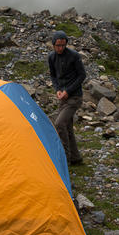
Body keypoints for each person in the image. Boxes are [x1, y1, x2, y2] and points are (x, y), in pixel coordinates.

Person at [48, 30, 86, 165]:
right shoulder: (51, 57)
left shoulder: (74, 56)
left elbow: (82, 75)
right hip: (63, 97)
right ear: (53, 45)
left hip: (74, 97)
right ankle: (76, 158)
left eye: (63, 45)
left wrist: (68, 91)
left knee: (59, 124)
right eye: (58, 45)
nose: (60, 48)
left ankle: (65, 159)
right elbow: (53, 75)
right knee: (67, 126)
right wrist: (58, 89)